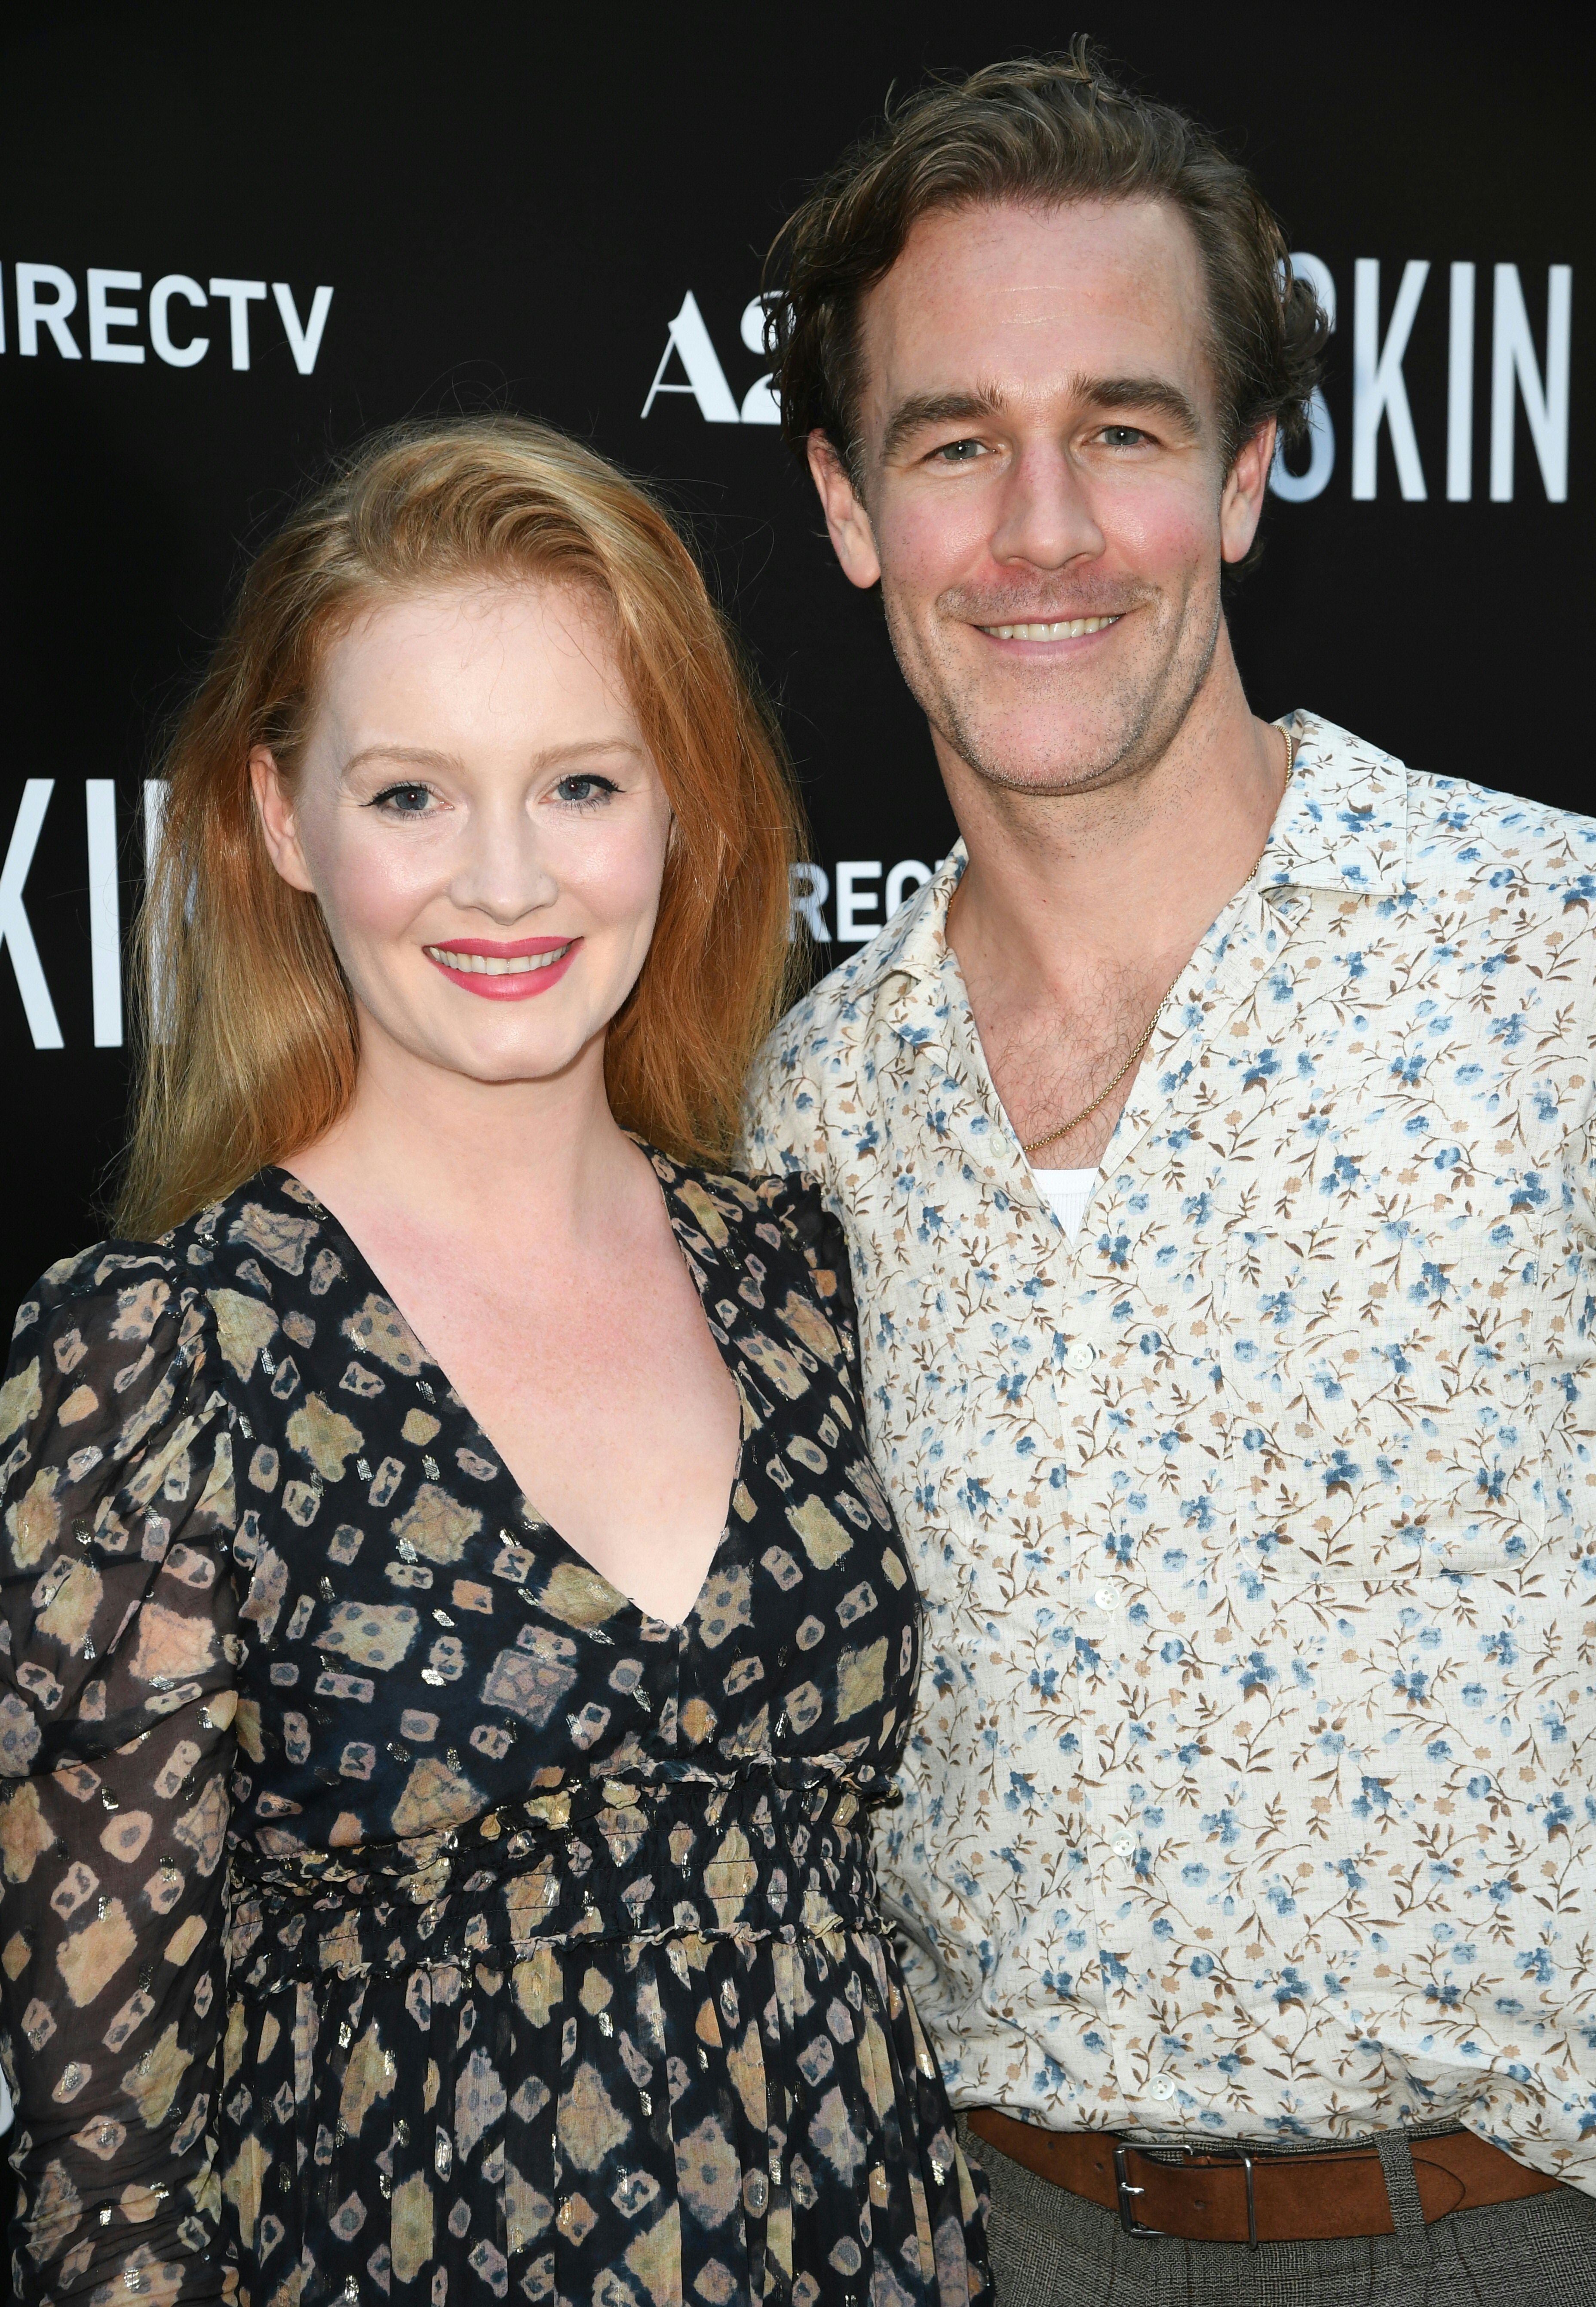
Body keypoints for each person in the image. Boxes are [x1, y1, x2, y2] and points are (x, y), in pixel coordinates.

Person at [742, 43, 1596, 2305]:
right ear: (851, 511)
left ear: (1243, 477)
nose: (1040, 529)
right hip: (978, 2232)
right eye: (956, 445)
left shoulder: (1552, 965)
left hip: (1503, 2240)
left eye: (1122, 430)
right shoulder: (798, 1120)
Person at [0, 418, 991, 2306]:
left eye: (579, 785)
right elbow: (104, 2195)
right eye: (411, 798)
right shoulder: (160, 1360)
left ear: (680, 804)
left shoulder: (799, 1271)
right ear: (281, 821)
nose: (509, 884)